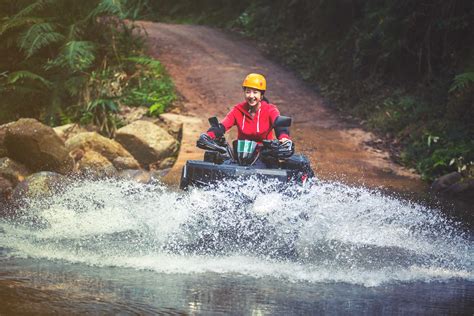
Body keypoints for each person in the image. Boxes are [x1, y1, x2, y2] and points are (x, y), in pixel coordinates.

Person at [203, 73, 292, 147]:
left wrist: (284, 138)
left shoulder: (270, 110)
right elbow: (222, 126)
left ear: (261, 95)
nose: (251, 96)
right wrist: (208, 135)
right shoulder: (237, 110)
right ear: (244, 93)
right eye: (248, 92)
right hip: (241, 156)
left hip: (266, 155)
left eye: (255, 92)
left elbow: (280, 126)